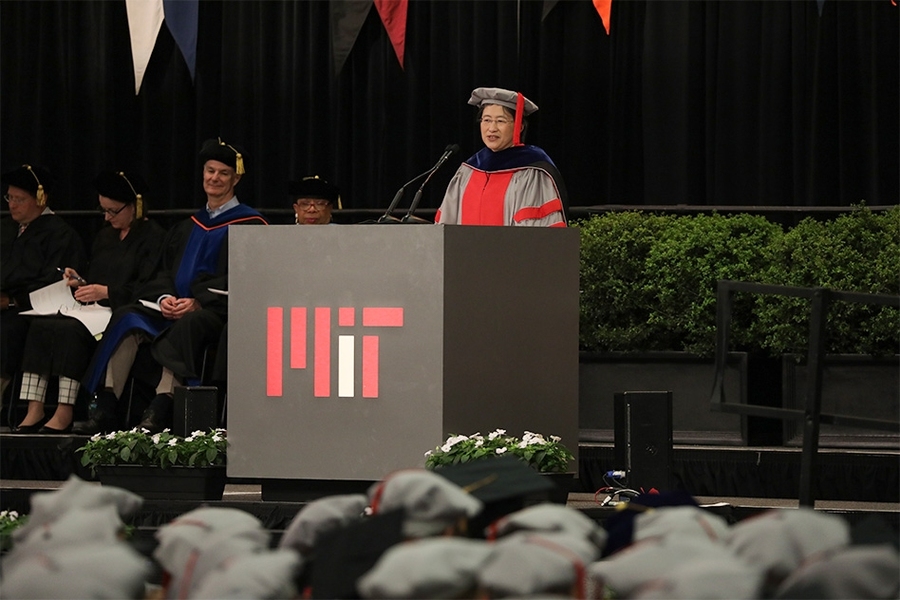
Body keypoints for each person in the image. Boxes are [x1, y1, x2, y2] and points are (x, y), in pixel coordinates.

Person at [76, 138, 267, 435]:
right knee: (128, 315)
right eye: (210, 171)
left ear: (236, 179)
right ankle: (107, 407)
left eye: (223, 173)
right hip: (174, 305)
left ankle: (161, 406)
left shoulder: (250, 225)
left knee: (190, 322)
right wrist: (164, 297)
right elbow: (163, 271)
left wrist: (198, 302)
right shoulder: (187, 225)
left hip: (216, 312)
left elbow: (249, 280)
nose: (215, 178)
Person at [11, 171, 164, 434]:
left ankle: (65, 410)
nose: (107, 218)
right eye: (104, 210)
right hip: (93, 310)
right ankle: (34, 409)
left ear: (135, 206)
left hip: (122, 313)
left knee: (71, 330)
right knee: (41, 325)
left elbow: (149, 286)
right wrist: (81, 282)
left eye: (113, 211)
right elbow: (96, 280)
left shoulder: (153, 237)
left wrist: (107, 292)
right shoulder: (105, 237)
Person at [0, 164, 86, 407]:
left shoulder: (60, 234)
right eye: (9, 197)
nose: (12, 205)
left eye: (19, 199)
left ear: (41, 198)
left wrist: (12, 301)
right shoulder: (5, 228)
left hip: (28, 310)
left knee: (6, 331)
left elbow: (54, 283)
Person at [435, 87, 568, 227]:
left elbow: (537, 231)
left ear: (519, 126)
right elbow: (445, 224)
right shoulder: (468, 170)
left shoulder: (532, 171)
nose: (492, 128)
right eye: (487, 120)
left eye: (500, 121)